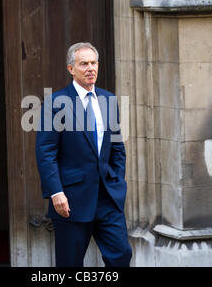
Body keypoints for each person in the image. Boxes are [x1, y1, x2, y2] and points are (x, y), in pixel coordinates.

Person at [35, 42, 132, 267]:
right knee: (70, 263)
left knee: (121, 256)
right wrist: (56, 192)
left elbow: (117, 148)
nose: (90, 68)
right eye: (84, 64)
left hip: (108, 198)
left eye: (93, 63)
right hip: (71, 200)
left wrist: (118, 181)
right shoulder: (55, 103)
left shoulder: (108, 100)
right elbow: (45, 151)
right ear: (71, 69)